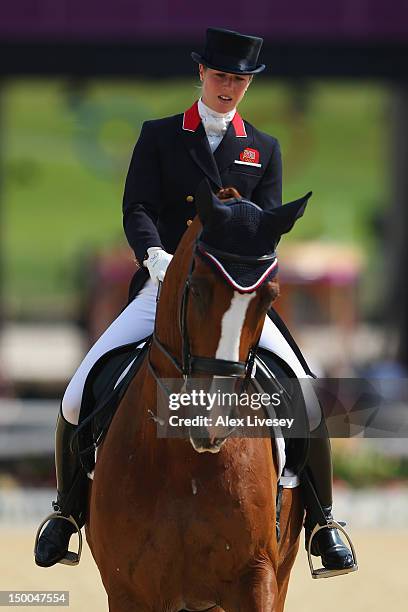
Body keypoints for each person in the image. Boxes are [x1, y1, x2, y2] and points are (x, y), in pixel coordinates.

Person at [34, 27, 354, 574]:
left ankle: (323, 522)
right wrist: (154, 256)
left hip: (233, 297)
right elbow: (137, 206)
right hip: (162, 288)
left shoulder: (264, 150)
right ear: (201, 75)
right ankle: (66, 513)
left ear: (248, 84)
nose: (230, 87)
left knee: (309, 399)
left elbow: (266, 230)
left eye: (240, 80)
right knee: (75, 393)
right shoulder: (159, 135)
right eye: (222, 76)